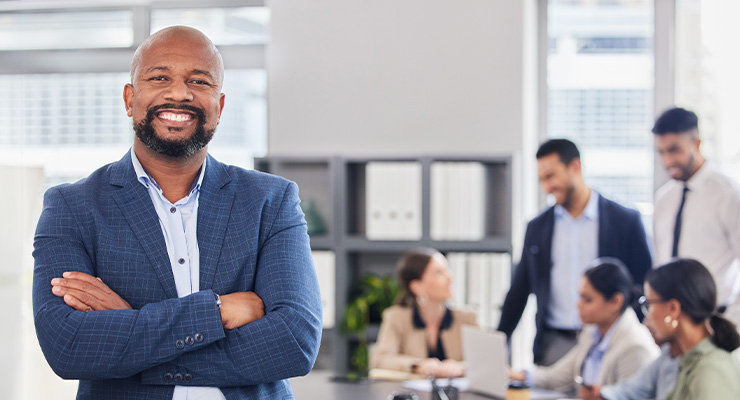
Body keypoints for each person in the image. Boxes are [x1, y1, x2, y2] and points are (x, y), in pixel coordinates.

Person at [32, 26, 322, 400]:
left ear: (218, 106)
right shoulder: (71, 207)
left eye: (198, 81)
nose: (179, 93)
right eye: (160, 77)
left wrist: (129, 328)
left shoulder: (270, 200)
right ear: (129, 98)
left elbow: (294, 342)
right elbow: (68, 346)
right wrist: (216, 312)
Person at [498, 139, 652, 365]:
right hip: (555, 343)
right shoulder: (538, 227)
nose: (547, 187)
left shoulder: (625, 221)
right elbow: (519, 290)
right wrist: (501, 339)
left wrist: (634, 333)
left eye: (551, 176)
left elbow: (645, 283)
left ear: (575, 167)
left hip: (609, 342)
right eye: (542, 180)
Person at [586, 259, 740, 400]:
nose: (646, 322)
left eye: (649, 305)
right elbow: (629, 391)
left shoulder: (712, 370)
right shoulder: (677, 356)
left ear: (673, 308)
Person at [509, 259, 659, 396]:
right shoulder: (593, 333)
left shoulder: (635, 347)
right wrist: (516, 375)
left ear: (615, 301)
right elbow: (555, 377)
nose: (578, 305)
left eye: (587, 299)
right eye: (579, 297)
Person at [652, 107, 740, 327]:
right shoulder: (663, 199)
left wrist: (731, 322)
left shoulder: (728, 195)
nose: (667, 161)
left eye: (674, 150)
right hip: (670, 322)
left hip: (712, 320)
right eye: (661, 152)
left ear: (696, 143)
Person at [370, 248, 478, 378]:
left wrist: (460, 367)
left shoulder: (467, 319)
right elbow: (380, 359)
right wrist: (417, 365)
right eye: (439, 273)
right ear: (417, 286)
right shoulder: (396, 317)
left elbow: (487, 361)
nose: (450, 277)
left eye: (447, 270)